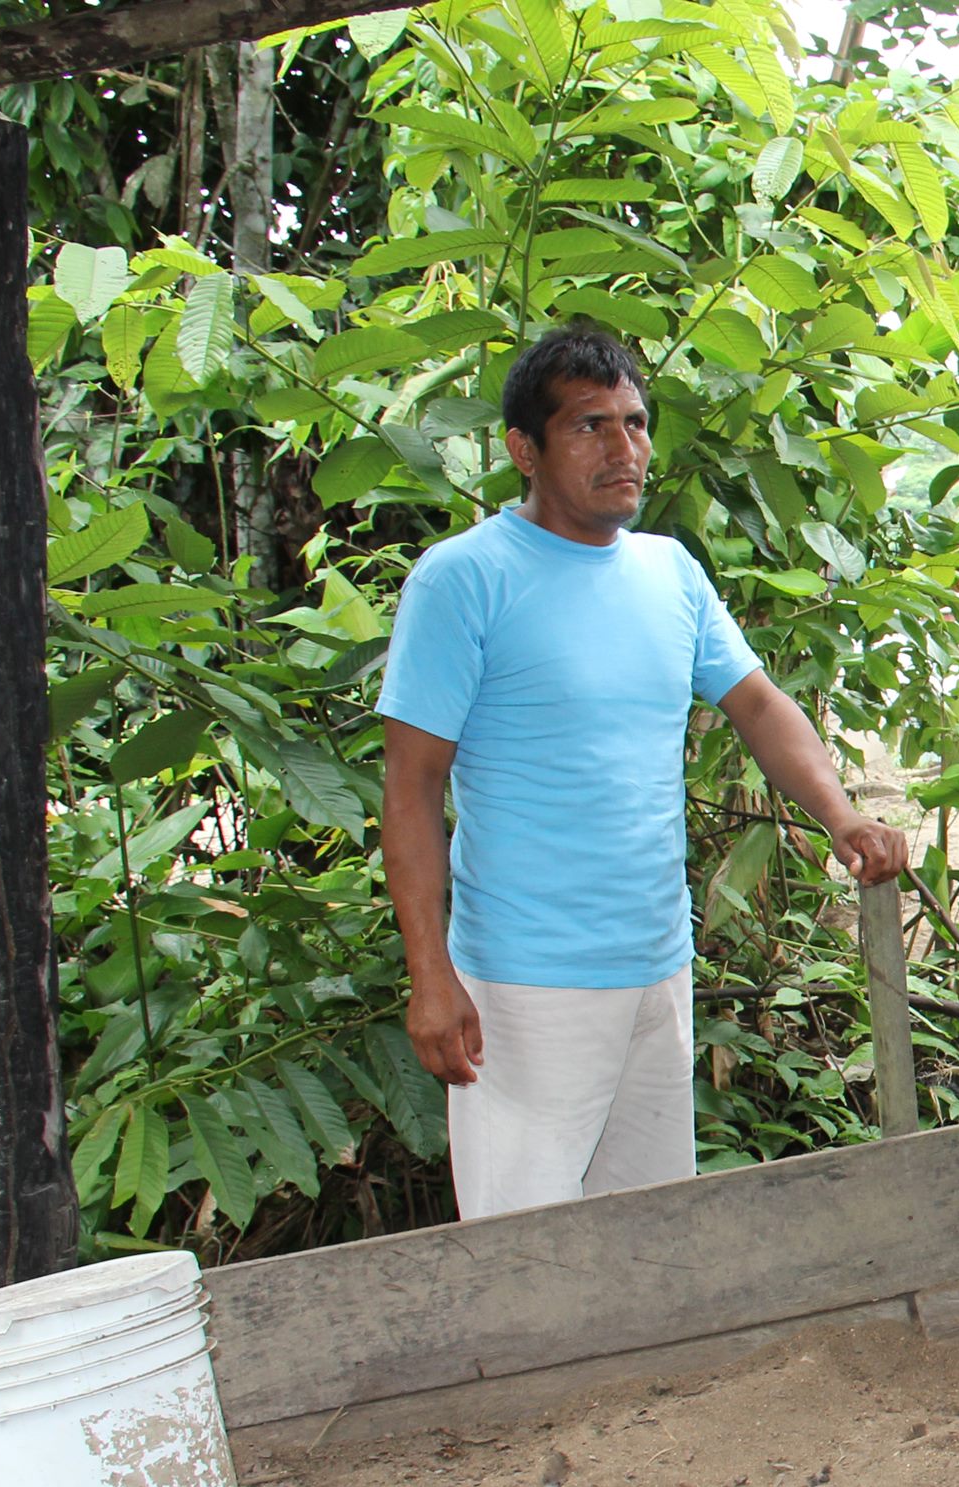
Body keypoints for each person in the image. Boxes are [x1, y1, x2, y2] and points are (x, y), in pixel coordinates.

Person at [379, 324, 909, 1220]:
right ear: (524, 450)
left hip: (657, 967)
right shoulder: (463, 581)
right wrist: (430, 974)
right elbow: (411, 788)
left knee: (654, 1237)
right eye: (589, 427)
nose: (623, 449)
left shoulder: (670, 572)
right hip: (524, 986)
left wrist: (840, 815)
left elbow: (759, 706)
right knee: (523, 1251)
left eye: (633, 422)